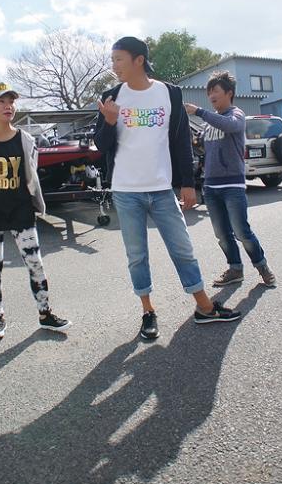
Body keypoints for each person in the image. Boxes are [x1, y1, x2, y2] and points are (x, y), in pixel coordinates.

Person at [95, 37, 242, 340]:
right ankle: (148, 311)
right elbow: (101, 146)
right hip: (126, 190)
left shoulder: (169, 93)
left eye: (119, 59)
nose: (114, 66)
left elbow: (180, 141)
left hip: (161, 188)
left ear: (139, 60)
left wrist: (187, 183)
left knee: (183, 249)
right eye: (113, 60)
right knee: (137, 255)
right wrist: (109, 122)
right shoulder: (112, 96)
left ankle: (204, 307)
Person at [0, 82, 71, 340]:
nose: (8, 106)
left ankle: (46, 313)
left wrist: (36, 203)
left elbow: (31, 175)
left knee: (35, 264)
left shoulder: (25, 139)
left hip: (20, 211)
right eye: (1, 101)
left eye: (11, 101)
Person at [183, 71, 276, 289]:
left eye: (215, 91)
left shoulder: (237, 114)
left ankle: (262, 267)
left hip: (232, 185)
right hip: (211, 186)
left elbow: (230, 126)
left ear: (229, 93)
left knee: (241, 231)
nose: (211, 96)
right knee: (222, 234)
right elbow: (204, 147)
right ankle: (235, 269)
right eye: (209, 92)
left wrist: (199, 112)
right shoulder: (208, 122)